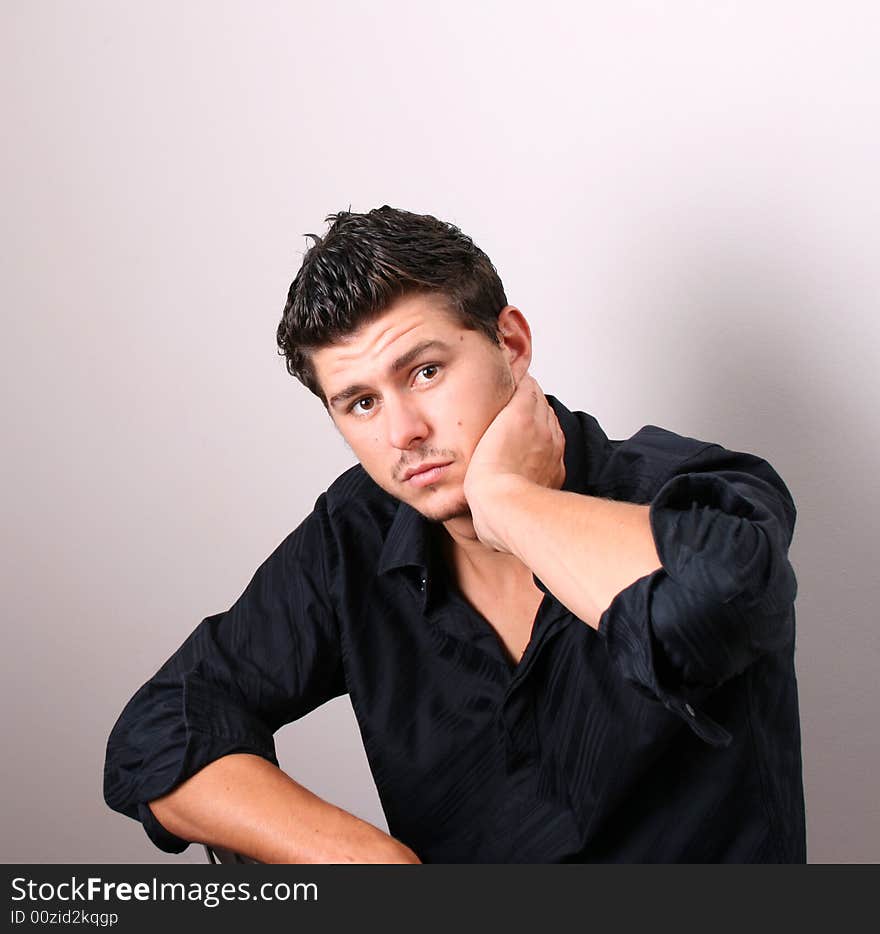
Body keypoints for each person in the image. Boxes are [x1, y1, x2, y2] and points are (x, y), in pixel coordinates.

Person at [104, 206, 806, 863]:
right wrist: (373, 868)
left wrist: (508, 498)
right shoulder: (357, 533)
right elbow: (161, 729)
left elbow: (714, 602)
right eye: (362, 402)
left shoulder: (688, 489)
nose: (403, 432)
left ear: (512, 342)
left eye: (426, 371)